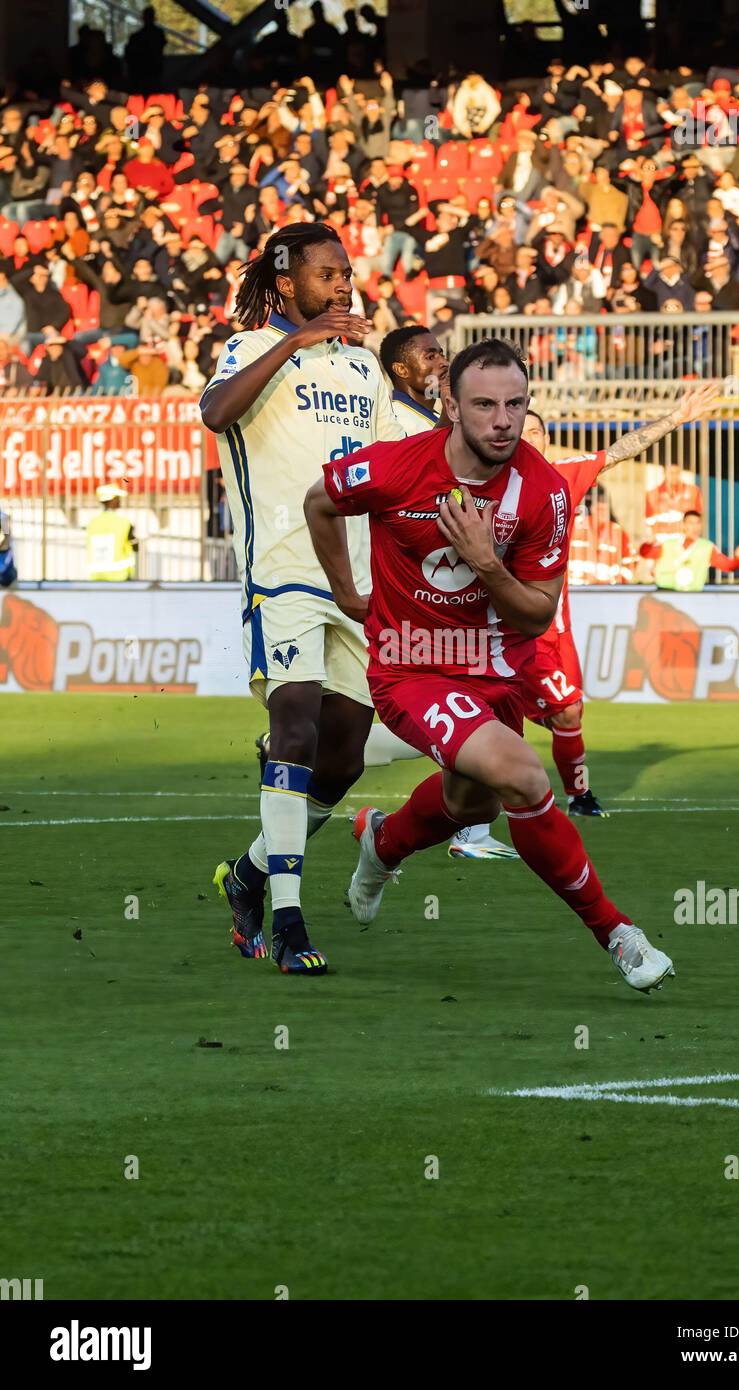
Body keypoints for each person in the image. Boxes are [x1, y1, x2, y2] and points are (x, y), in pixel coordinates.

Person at [304, 338, 675, 994]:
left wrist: (485, 561)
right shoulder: (394, 468)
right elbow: (320, 501)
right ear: (449, 405)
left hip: (501, 671)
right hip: (410, 668)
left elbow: (536, 616)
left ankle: (382, 844)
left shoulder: (544, 493)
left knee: (466, 803)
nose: (503, 420)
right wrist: (345, 593)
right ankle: (617, 933)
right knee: (523, 778)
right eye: (484, 405)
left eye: (515, 404)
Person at [200, 222, 404, 977]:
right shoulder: (251, 349)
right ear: (288, 284)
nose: (343, 284)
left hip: (354, 583)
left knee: (343, 753)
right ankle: (287, 918)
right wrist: (298, 340)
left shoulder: (363, 370)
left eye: (347, 273)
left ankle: (249, 874)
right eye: (327, 274)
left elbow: (391, 464)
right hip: (280, 571)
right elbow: (215, 412)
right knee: (293, 727)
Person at [520, 383, 718, 815]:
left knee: (570, 715)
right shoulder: (489, 480)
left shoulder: (563, 477)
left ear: (547, 441)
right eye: (522, 430)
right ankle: (477, 819)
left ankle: (575, 795)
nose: (528, 437)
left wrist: (676, 418)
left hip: (555, 629)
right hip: (508, 631)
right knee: (527, 715)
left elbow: (620, 451)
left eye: (536, 431)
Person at [378, 323, 519, 861]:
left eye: (444, 354)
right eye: (431, 354)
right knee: (438, 711)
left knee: (461, 733)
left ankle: (451, 830)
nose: (441, 360)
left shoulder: (443, 424)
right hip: (403, 592)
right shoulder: (392, 424)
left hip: (451, 598)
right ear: (401, 370)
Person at [640, 511, 739, 590]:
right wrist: (648, 543)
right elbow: (645, 553)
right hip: (665, 595)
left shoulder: (707, 548)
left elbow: (728, 565)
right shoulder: (668, 544)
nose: (695, 527)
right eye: (691, 523)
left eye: (698, 523)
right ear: (683, 525)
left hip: (692, 598)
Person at [86, 483, 137, 580]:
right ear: (112, 500)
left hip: (96, 576)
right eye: (117, 498)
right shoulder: (124, 522)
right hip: (119, 576)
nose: (119, 501)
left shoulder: (92, 522)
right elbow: (135, 547)